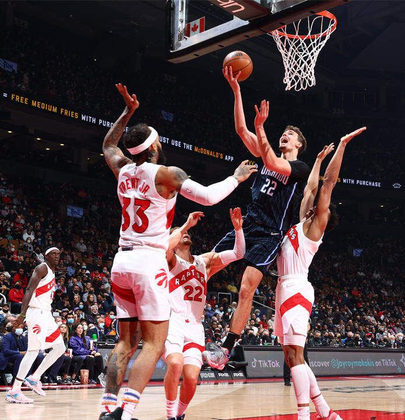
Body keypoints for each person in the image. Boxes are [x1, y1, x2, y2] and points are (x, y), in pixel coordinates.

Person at [98, 84, 255, 420]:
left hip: (121, 260)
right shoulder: (168, 175)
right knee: (154, 343)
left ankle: (107, 407)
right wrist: (236, 178)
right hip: (148, 260)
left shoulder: (122, 168)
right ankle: (126, 412)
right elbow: (209, 197)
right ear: (155, 145)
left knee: (125, 343)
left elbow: (109, 144)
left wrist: (127, 112)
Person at [205, 71, 312, 369]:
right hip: (248, 224)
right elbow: (241, 129)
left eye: (290, 135)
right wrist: (236, 90)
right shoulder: (266, 151)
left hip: (270, 234)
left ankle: (226, 349)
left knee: (246, 287)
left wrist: (262, 128)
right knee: (207, 265)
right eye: (284, 132)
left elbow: (273, 163)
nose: (285, 135)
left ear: (298, 144)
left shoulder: (299, 167)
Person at [269, 113, 366, 420]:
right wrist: (318, 160)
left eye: (319, 206)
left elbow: (326, 185)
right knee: (290, 355)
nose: (312, 203)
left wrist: (342, 146)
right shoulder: (301, 222)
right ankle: (326, 411)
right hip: (283, 287)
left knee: (296, 355)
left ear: (324, 215)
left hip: (296, 287)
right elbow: (311, 186)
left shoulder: (314, 228)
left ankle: (304, 415)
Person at [161, 208, 245, 420]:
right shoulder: (169, 260)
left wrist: (238, 230)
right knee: (175, 363)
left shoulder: (203, 262)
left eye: (186, 233)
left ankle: (179, 414)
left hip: (195, 326)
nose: (185, 234)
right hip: (173, 321)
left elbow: (238, 253)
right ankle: (170, 415)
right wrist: (185, 225)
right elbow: (165, 246)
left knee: (191, 378)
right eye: (179, 233)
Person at [7, 247, 66, 404]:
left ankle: (34, 378)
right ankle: (14, 391)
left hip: (46, 313)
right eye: (53, 254)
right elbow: (29, 290)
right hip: (36, 313)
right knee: (33, 352)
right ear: (46, 256)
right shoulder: (42, 268)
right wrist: (22, 314)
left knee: (60, 347)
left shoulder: (52, 272)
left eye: (58, 254)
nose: (56, 256)